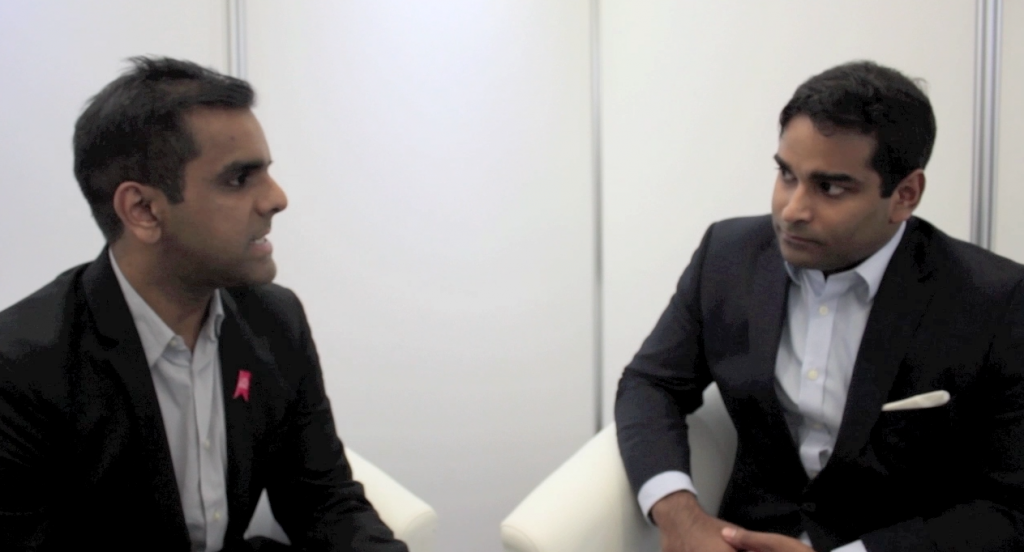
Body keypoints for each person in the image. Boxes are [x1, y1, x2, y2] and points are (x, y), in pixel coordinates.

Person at [0, 57, 408, 552]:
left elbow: (323, 502)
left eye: (267, 173)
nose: (276, 199)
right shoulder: (22, 367)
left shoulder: (274, 321)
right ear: (143, 210)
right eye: (239, 179)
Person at [614, 60, 1024, 552]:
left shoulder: (995, 300)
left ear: (904, 195)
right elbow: (651, 383)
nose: (792, 210)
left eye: (830, 187)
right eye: (786, 174)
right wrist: (679, 515)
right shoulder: (727, 257)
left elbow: (1009, 506)